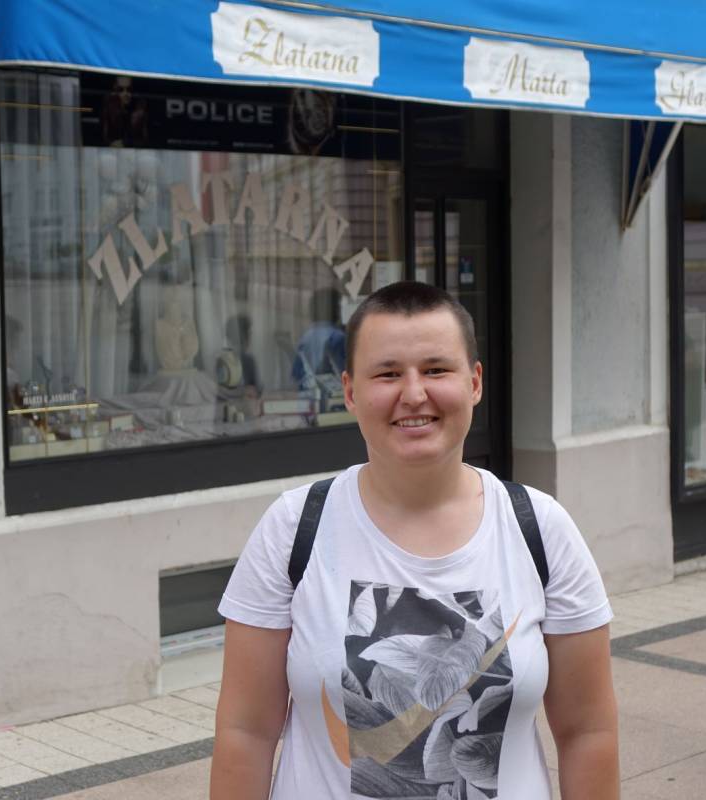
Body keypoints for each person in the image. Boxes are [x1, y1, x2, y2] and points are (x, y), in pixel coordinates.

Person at [212, 281, 619, 800]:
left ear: (474, 382)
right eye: (387, 374)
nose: (413, 394)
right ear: (350, 391)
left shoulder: (540, 528)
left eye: (436, 369)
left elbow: (588, 733)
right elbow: (246, 732)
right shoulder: (294, 528)